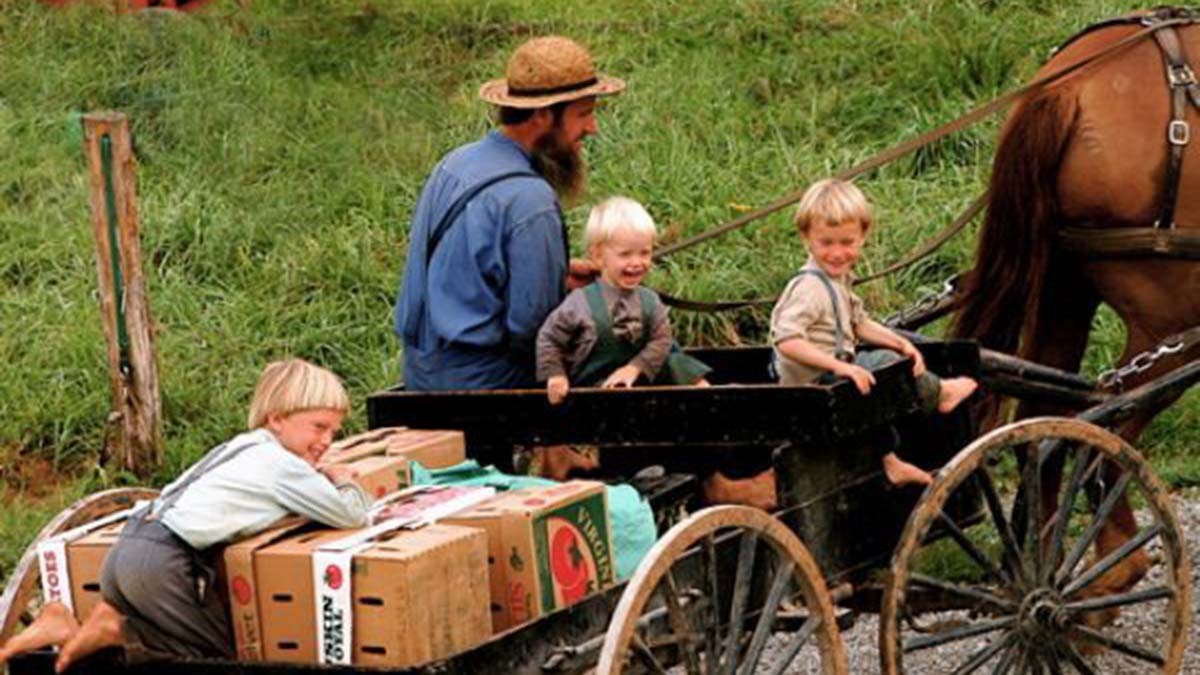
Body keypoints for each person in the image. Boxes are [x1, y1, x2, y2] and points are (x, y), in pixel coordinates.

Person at [0, 359, 370, 670]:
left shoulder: (241, 447)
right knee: (219, 657)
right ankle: (117, 628)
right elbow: (351, 514)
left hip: (128, 548)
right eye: (319, 427)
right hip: (164, 563)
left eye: (335, 432)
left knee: (182, 642)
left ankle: (68, 625)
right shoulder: (281, 465)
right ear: (276, 419)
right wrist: (342, 479)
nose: (327, 442)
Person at [394, 35, 625, 392]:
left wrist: (558, 276)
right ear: (543, 115)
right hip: (483, 382)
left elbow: (460, 276)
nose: (592, 128)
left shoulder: (454, 163)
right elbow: (532, 328)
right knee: (624, 357)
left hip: (421, 373)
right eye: (584, 114)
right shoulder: (530, 200)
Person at [770, 179, 978, 487]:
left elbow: (859, 323)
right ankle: (941, 394)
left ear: (863, 237)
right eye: (826, 243)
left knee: (876, 376)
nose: (837, 253)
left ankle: (889, 460)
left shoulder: (837, 280)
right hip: (811, 388)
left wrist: (900, 342)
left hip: (828, 381)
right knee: (881, 365)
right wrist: (841, 366)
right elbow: (787, 340)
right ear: (807, 239)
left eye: (847, 242)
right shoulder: (809, 289)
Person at [536, 196, 711, 404]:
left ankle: (711, 400)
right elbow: (550, 338)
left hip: (641, 379)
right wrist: (556, 375)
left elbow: (661, 339)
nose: (637, 263)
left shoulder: (650, 301)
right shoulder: (579, 303)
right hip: (592, 388)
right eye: (625, 254)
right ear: (598, 256)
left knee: (677, 361)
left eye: (645, 253)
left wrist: (634, 368)